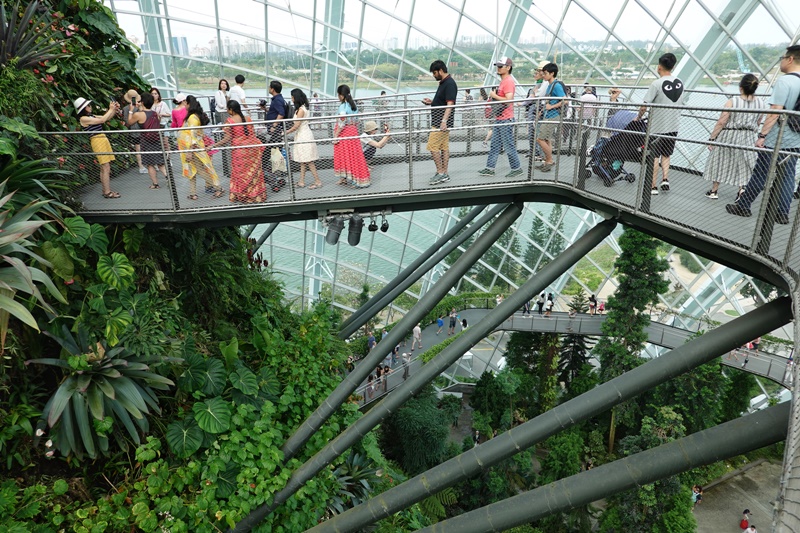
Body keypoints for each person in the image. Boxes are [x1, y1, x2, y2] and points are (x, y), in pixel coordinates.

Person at [727, 44, 800, 224]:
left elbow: (775, 111)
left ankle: (743, 206)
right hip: (796, 139)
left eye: (783, 58)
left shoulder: (785, 81)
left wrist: (762, 136)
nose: (781, 61)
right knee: (788, 175)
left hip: (777, 139)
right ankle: (782, 213)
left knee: (760, 173)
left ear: (790, 59)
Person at [704, 74, 766, 200]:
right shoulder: (761, 103)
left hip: (729, 134)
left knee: (720, 160)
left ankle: (714, 191)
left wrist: (712, 138)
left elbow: (722, 121)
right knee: (744, 163)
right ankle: (741, 190)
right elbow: (758, 121)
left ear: (741, 87)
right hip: (749, 135)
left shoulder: (733, 101)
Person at [637, 52, 685, 195]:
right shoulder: (680, 83)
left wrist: (638, 117)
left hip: (657, 126)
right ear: (673, 66)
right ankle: (665, 179)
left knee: (654, 156)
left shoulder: (656, 84)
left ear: (659, 67)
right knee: (666, 154)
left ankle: (653, 186)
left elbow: (644, 106)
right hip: (673, 124)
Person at [208, 100, 267, 203]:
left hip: (240, 151)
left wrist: (213, 145)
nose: (227, 111)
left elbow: (227, 139)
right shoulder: (248, 119)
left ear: (231, 110)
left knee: (241, 174)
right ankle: (255, 195)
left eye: (227, 109)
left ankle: (244, 195)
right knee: (254, 172)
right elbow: (252, 134)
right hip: (253, 149)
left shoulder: (230, 121)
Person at [478, 57, 523, 178]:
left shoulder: (508, 81)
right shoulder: (503, 81)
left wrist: (493, 95)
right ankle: (489, 168)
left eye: (501, 66)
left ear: (508, 67)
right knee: (495, 144)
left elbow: (509, 100)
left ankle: (516, 168)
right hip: (500, 118)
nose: (498, 68)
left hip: (506, 119)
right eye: (497, 66)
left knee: (508, 145)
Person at [178, 95, 223, 200]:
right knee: (191, 169)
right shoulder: (194, 116)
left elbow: (193, 136)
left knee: (199, 170)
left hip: (193, 148)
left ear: (189, 104)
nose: (184, 106)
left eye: (186, 103)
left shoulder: (193, 118)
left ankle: (218, 187)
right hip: (189, 148)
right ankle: (192, 193)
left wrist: (189, 151)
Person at [75, 97, 120, 198]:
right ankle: (107, 192)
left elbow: (106, 117)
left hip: (102, 138)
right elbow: (102, 120)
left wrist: (114, 110)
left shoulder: (91, 116)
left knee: (104, 167)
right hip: (97, 140)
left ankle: (106, 191)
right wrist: (111, 109)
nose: (90, 107)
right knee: (105, 166)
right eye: (88, 105)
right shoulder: (83, 118)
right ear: (84, 108)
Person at [422, 59, 458, 185]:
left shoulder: (449, 84)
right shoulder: (444, 82)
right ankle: (444, 173)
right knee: (443, 147)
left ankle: (441, 173)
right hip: (441, 120)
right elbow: (444, 101)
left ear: (441, 71)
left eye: (434, 72)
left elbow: (450, 104)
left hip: (440, 122)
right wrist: (432, 102)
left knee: (432, 146)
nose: (433, 75)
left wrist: (444, 121)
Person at [125, 92, 167, 190]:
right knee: (160, 163)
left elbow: (129, 123)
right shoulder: (155, 113)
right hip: (156, 139)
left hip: (146, 141)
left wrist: (131, 111)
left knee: (150, 164)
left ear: (142, 102)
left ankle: (155, 184)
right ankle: (167, 177)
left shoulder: (139, 114)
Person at [284, 88, 322, 190]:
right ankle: (301, 181)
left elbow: (296, 125)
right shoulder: (303, 108)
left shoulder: (301, 110)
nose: (291, 99)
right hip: (303, 134)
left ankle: (318, 181)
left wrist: (286, 132)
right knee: (303, 160)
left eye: (292, 97)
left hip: (303, 136)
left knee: (308, 160)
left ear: (295, 97)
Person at [333, 84, 371, 187]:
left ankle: (354, 180)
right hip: (353, 132)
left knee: (347, 156)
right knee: (354, 156)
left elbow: (342, 121)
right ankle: (349, 178)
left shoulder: (343, 106)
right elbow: (357, 120)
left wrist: (336, 136)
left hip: (344, 134)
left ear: (341, 95)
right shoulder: (353, 105)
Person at [535, 63, 567, 173]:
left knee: (540, 138)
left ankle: (549, 161)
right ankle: (548, 160)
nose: (543, 75)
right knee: (546, 139)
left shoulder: (556, 85)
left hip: (553, 115)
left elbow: (565, 100)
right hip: (548, 114)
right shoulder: (550, 84)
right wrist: (543, 110)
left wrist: (551, 107)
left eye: (545, 73)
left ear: (552, 73)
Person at [121, 89, 146, 174]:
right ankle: (145, 165)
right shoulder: (139, 107)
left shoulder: (125, 109)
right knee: (142, 148)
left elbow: (126, 122)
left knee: (138, 149)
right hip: (142, 129)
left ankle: (141, 166)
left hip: (134, 131)